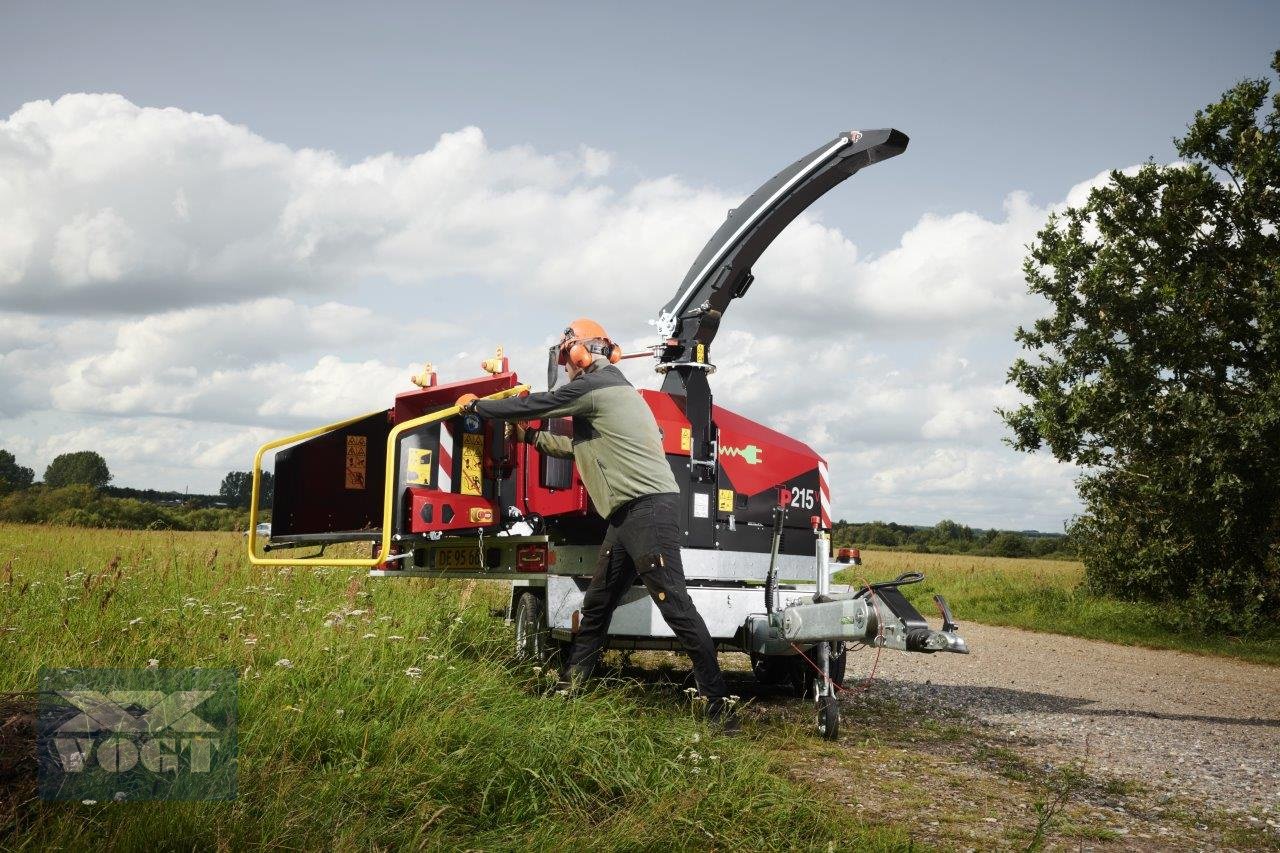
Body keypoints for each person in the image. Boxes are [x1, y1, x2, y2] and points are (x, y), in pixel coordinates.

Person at [457, 318, 732, 722]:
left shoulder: (593, 386)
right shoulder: (618, 392)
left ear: (581, 351)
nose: (566, 361)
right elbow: (580, 448)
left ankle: (718, 706)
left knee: (675, 605)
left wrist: (479, 408)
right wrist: (530, 439)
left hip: (647, 510)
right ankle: (572, 688)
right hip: (626, 515)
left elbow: (539, 404)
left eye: (566, 351)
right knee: (598, 603)